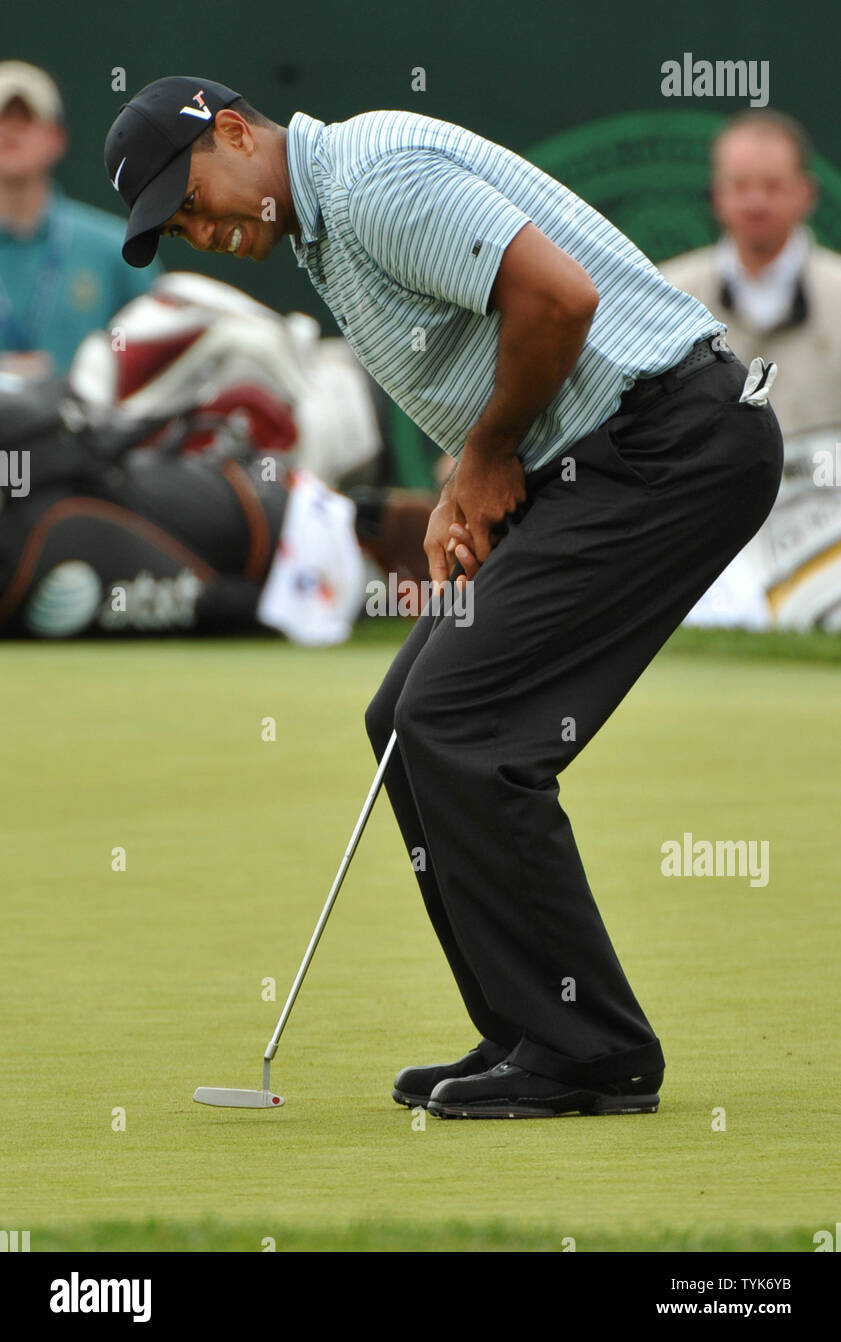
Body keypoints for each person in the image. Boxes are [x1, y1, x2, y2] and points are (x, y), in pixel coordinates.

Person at [104, 76, 784, 1119]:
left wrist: (487, 456)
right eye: (177, 225)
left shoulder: (370, 179)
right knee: (405, 717)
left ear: (234, 132)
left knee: (461, 719)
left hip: (670, 442)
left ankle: (589, 1050)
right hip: (596, 455)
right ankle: (526, 1026)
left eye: (191, 198)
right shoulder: (322, 226)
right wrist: (474, 481)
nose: (198, 230)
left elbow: (558, 300)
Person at [661, 110, 841, 438]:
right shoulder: (669, 296)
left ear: (807, 193)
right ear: (717, 194)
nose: (756, 202)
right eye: (740, 185)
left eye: (773, 186)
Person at [0, 61, 159, 379]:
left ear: (56, 139)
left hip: (82, 426)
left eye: (26, 119)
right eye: (1, 118)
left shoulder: (115, 249)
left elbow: (154, 354)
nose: (10, 131)